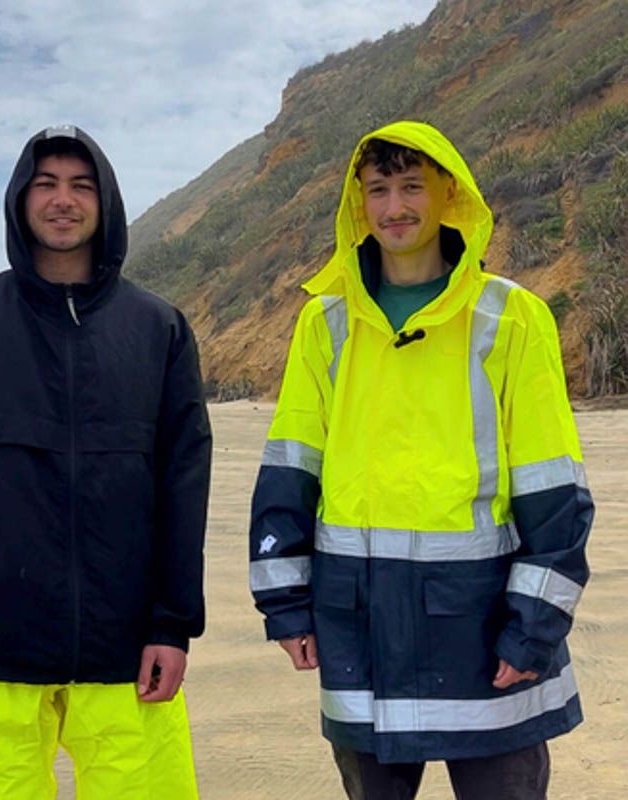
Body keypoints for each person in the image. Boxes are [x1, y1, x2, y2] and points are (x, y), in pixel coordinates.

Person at [249, 120, 593, 799]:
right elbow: (291, 469)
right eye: (378, 189)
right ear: (358, 204)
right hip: (360, 626)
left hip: (487, 627)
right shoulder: (326, 323)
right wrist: (286, 605)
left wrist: (531, 630)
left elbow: (554, 489)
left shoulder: (512, 318)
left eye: (412, 186)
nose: (395, 207)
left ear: (448, 196)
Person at [0, 124, 212, 799]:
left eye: (81, 185)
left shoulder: (157, 329)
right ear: (20, 199)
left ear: (106, 202)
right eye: (46, 184)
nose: (62, 200)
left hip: (127, 650)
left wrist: (173, 624)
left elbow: (183, 486)